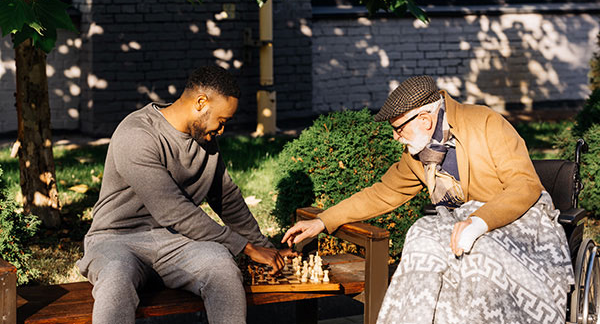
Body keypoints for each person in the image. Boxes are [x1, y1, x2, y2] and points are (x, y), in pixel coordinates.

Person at [282, 75, 574, 323]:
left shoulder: (485, 123)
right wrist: (323, 220)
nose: (396, 138)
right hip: (461, 226)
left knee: (477, 256)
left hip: (516, 220)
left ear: (424, 119)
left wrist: (479, 222)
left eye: (399, 129)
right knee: (420, 235)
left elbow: (525, 185)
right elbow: (382, 193)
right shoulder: (419, 154)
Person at [77, 66, 292, 324]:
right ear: (201, 102)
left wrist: (265, 248)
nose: (222, 130)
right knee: (116, 276)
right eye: (222, 121)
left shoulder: (206, 140)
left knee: (222, 267)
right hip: (118, 239)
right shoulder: (136, 135)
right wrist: (244, 247)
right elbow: (174, 211)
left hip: (175, 244)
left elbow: (227, 198)